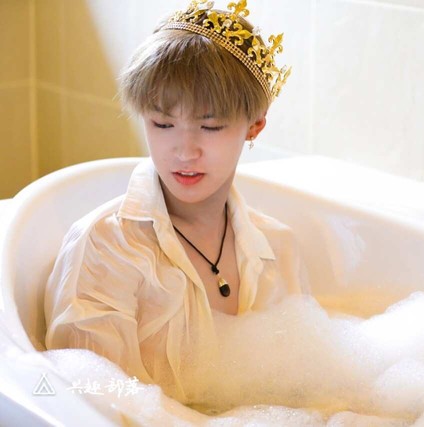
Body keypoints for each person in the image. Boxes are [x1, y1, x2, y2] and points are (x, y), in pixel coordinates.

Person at [44, 0, 308, 406]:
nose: (184, 151)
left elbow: (303, 391)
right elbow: (98, 405)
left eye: (210, 126)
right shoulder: (106, 246)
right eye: (163, 124)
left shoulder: (278, 247)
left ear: (255, 124)